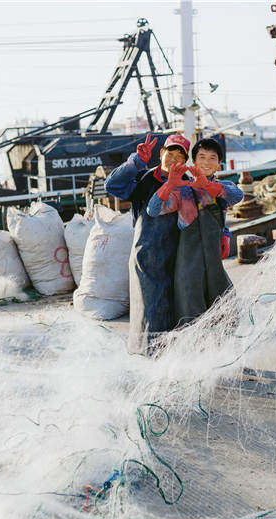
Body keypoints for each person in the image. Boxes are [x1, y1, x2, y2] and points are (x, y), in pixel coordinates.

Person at [105, 133, 190, 355]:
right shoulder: (144, 179)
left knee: (176, 309)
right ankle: (146, 358)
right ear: (161, 154)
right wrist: (136, 162)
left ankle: (173, 358)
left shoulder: (188, 184)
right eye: (170, 153)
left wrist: (224, 231)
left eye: (180, 156)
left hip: (177, 256)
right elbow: (113, 186)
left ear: (185, 162)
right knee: (148, 312)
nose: (173, 160)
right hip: (146, 257)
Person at [146, 137, 243, 326]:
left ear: (219, 165)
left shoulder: (224, 188)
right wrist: (170, 185)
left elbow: (237, 196)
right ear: (194, 162)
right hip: (189, 264)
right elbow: (153, 210)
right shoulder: (183, 191)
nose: (206, 162)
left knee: (225, 308)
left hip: (214, 263)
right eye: (202, 157)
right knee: (191, 313)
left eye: (212, 158)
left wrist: (206, 185)